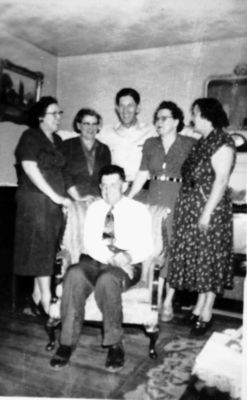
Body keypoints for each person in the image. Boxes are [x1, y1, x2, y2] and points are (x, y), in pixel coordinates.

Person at [50, 165, 153, 372]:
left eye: (113, 185)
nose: (108, 190)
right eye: (104, 186)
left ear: (124, 185)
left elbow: (147, 245)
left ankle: (115, 344)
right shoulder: (95, 208)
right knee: (74, 274)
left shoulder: (138, 209)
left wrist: (128, 255)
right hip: (95, 259)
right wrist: (110, 257)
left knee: (107, 279)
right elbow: (90, 243)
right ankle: (66, 343)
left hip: (126, 263)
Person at [165, 98, 236, 335]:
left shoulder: (222, 141)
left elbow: (222, 179)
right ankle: (198, 307)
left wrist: (206, 213)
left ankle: (207, 312)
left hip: (210, 209)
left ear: (206, 115)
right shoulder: (202, 141)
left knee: (209, 259)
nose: (192, 118)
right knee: (199, 259)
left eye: (194, 113)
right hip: (192, 207)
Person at [128, 101, 196, 321]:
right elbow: (141, 175)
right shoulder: (150, 143)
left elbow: (199, 176)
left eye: (164, 118)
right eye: (157, 118)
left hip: (178, 198)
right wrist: (126, 198)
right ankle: (153, 296)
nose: (159, 122)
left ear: (176, 121)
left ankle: (168, 301)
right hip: (154, 196)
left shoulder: (190, 143)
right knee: (153, 247)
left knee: (174, 249)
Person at [14, 96, 71, 315]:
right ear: (40, 117)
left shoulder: (57, 140)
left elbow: (63, 172)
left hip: (53, 202)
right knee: (41, 249)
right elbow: (29, 168)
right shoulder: (30, 136)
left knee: (48, 247)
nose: (58, 117)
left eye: (60, 113)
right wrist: (55, 196)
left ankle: (38, 297)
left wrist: (67, 198)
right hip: (35, 200)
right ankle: (47, 301)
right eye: (53, 113)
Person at [97, 87, 156, 184]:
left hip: (144, 186)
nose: (125, 110)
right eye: (122, 106)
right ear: (117, 109)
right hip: (117, 187)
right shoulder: (105, 132)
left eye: (130, 105)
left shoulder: (151, 131)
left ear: (138, 108)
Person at [62, 108, 111, 201]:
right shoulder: (67, 146)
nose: (90, 128)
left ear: (98, 126)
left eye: (94, 124)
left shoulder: (104, 149)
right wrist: (79, 198)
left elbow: (106, 178)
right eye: (86, 124)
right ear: (79, 125)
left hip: (97, 199)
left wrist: (101, 198)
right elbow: (65, 175)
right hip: (73, 199)